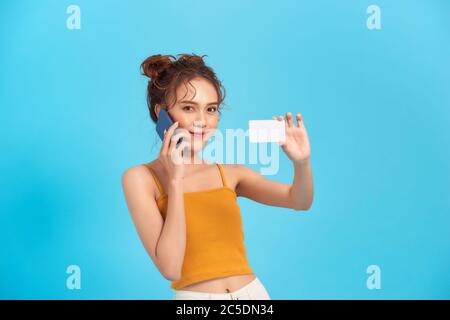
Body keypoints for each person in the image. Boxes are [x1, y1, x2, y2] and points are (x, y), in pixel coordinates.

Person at [122, 53, 314, 300]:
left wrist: (302, 163)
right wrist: (175, 180)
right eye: (189, 108)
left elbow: (299, 201)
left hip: (253, 296)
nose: (202, 121)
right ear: (162, 113)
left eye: (210, 109)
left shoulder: (230, 174)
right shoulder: (140, 178)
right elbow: (169, 268)